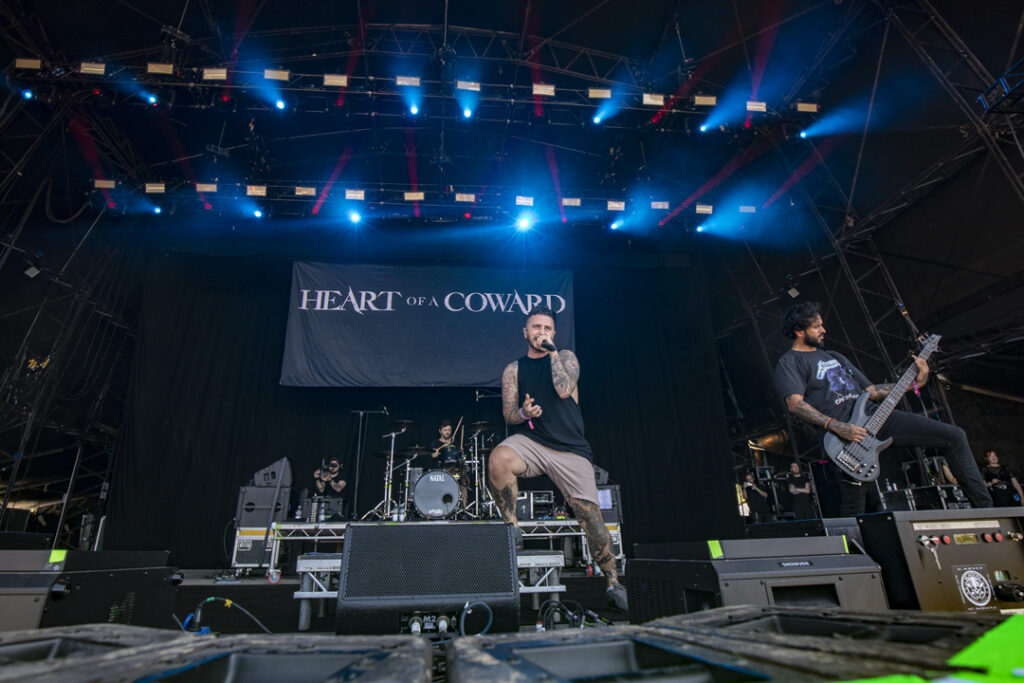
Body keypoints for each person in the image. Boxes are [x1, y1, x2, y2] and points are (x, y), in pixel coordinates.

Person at [774, 301, 992, 516]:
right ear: (799, 331)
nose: (824, 330)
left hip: (877, 416)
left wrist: (915, 383)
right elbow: (795, 404)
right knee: (856, 501)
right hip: (847, 437)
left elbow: (872, 390)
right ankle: (851, 549)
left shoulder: (835, 356)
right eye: (817, 326)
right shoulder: (790, 362)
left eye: (822, 324)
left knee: (954, 436)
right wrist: (837, 426)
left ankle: (988, 512)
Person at [487, 305, 627, 611]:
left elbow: (564, 390)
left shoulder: (565, 357)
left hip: (570, 448)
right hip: (534, 441)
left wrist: (551, 352)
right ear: (525, 332)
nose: (542, 332)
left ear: (554, 333)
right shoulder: (513, 369)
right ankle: (512, 530)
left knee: (591, 517)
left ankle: (613, 583)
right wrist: (524, 413)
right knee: (499, 458)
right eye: (536, 327)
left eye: (547, 328)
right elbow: (509, 415)